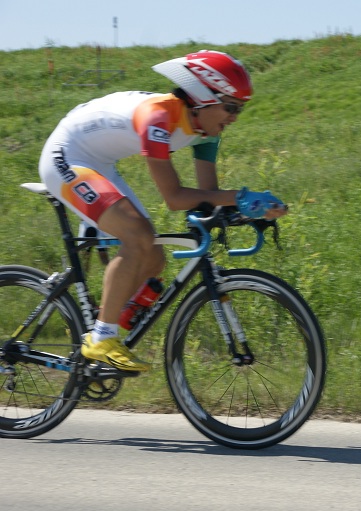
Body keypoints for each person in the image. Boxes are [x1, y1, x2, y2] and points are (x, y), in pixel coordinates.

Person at [38, 50, 288, 372]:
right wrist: (240, 197)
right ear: (202, 98)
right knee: (138, 236)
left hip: (100, 162)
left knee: (154, 257)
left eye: (240, 109)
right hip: (67, 156)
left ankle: (105, 322)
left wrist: (241, 210)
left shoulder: (205, 132)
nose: (235, 117)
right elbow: (174, 197)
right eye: (231, 107)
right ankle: (100, 338)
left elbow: (205, 198)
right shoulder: (158, 117)